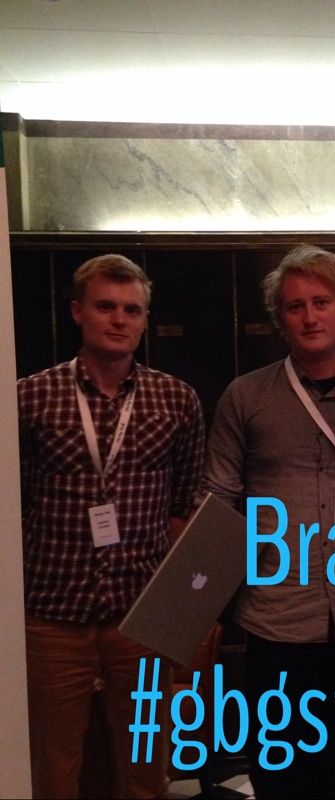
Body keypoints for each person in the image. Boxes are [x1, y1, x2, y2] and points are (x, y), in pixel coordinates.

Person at [203, 245, 335, 799]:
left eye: (322, 302)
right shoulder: (246, 396)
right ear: (280, 317)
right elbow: (218, 504)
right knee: (278, 774)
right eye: (295, 306)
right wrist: (201, 607)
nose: (310, 316)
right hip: (276, 618)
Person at [18, 254, 205, 799]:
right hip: (51, 617)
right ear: (78, 311)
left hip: (140, 618)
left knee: (145, 768)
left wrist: (179, 613)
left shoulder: (177, 400)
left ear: (145, 319)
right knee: (54, 768)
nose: (119, 319)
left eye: (132, 310)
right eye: (106, 307)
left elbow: (182, 507)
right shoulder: (29, 397)